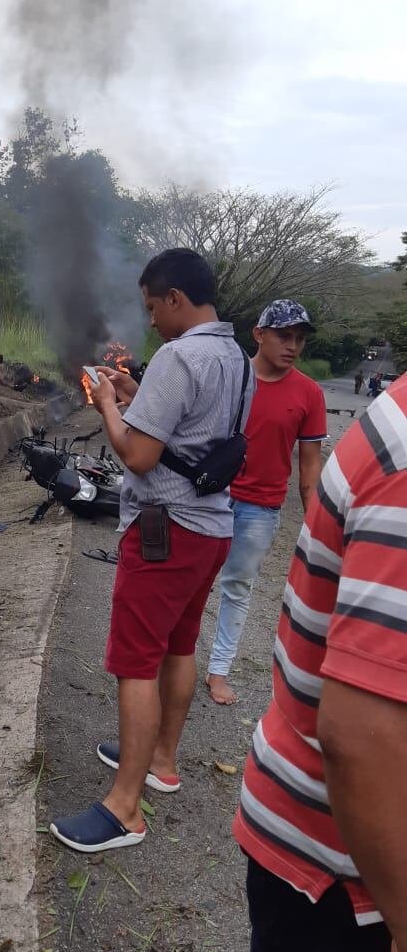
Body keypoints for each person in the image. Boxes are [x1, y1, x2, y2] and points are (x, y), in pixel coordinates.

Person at [209, 372, 407, 952]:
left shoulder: (341, 405)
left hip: (360, 867)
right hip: (347, 872)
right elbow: (361, 739)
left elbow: (308, 459)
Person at [50, 248, 254, 855]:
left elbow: (137, 455)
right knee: (178, 645)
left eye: (152, 308)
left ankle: (125, 808)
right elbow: (195, 428)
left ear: (175, 299)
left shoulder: (179, 354)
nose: (151, 323)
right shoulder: (237, 358)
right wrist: (139, 391)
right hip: (214, 529)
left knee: (135, 662)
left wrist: (110, 405)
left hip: (166, 530)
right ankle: (162, 759)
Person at [205, 300, 326, 705]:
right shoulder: (230, 376)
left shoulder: (309, 394)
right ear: (259, 334)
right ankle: (171, 659)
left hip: (260, 508)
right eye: (283, 336)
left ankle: (218, 670)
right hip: (209, 496)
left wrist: (318, 531)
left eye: (299, 339)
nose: (292, 346)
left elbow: (310, 470)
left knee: (237, 586)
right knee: (191, 579)